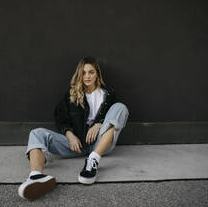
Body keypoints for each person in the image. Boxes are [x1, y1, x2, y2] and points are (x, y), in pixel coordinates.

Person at [18, 56, 129, 200]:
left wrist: (99, 124)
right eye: (83, 73)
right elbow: (60, 117)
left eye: (91, 72)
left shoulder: (108, 94)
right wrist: (69, 135)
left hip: (100, 144)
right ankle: (36, 176)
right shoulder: (72, 94)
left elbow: (114, 117)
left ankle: (92, 161)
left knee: (121, 107)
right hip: (76, 145)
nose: (87, 76)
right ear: (79, 74)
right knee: (36, 133)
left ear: (97, 74)